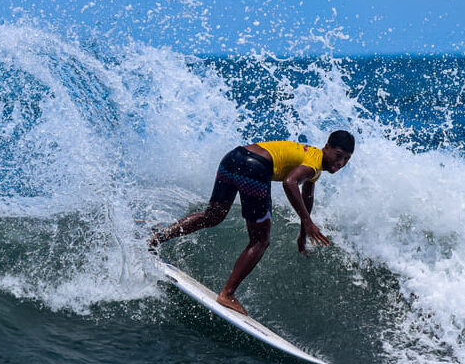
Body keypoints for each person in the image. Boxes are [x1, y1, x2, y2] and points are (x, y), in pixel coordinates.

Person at [148, 131, 355, 315]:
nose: (341, 163)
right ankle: (227, 294)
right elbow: (290, 182)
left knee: (212, 216)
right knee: (260, 240)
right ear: (326, 147)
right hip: (255, 168)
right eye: (338, 155)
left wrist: (303, 232)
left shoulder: (312, 164)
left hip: (234, 157)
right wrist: (308, 223)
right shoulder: (314, 162)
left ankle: (155, 240)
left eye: (346, 159)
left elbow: (307, 196)